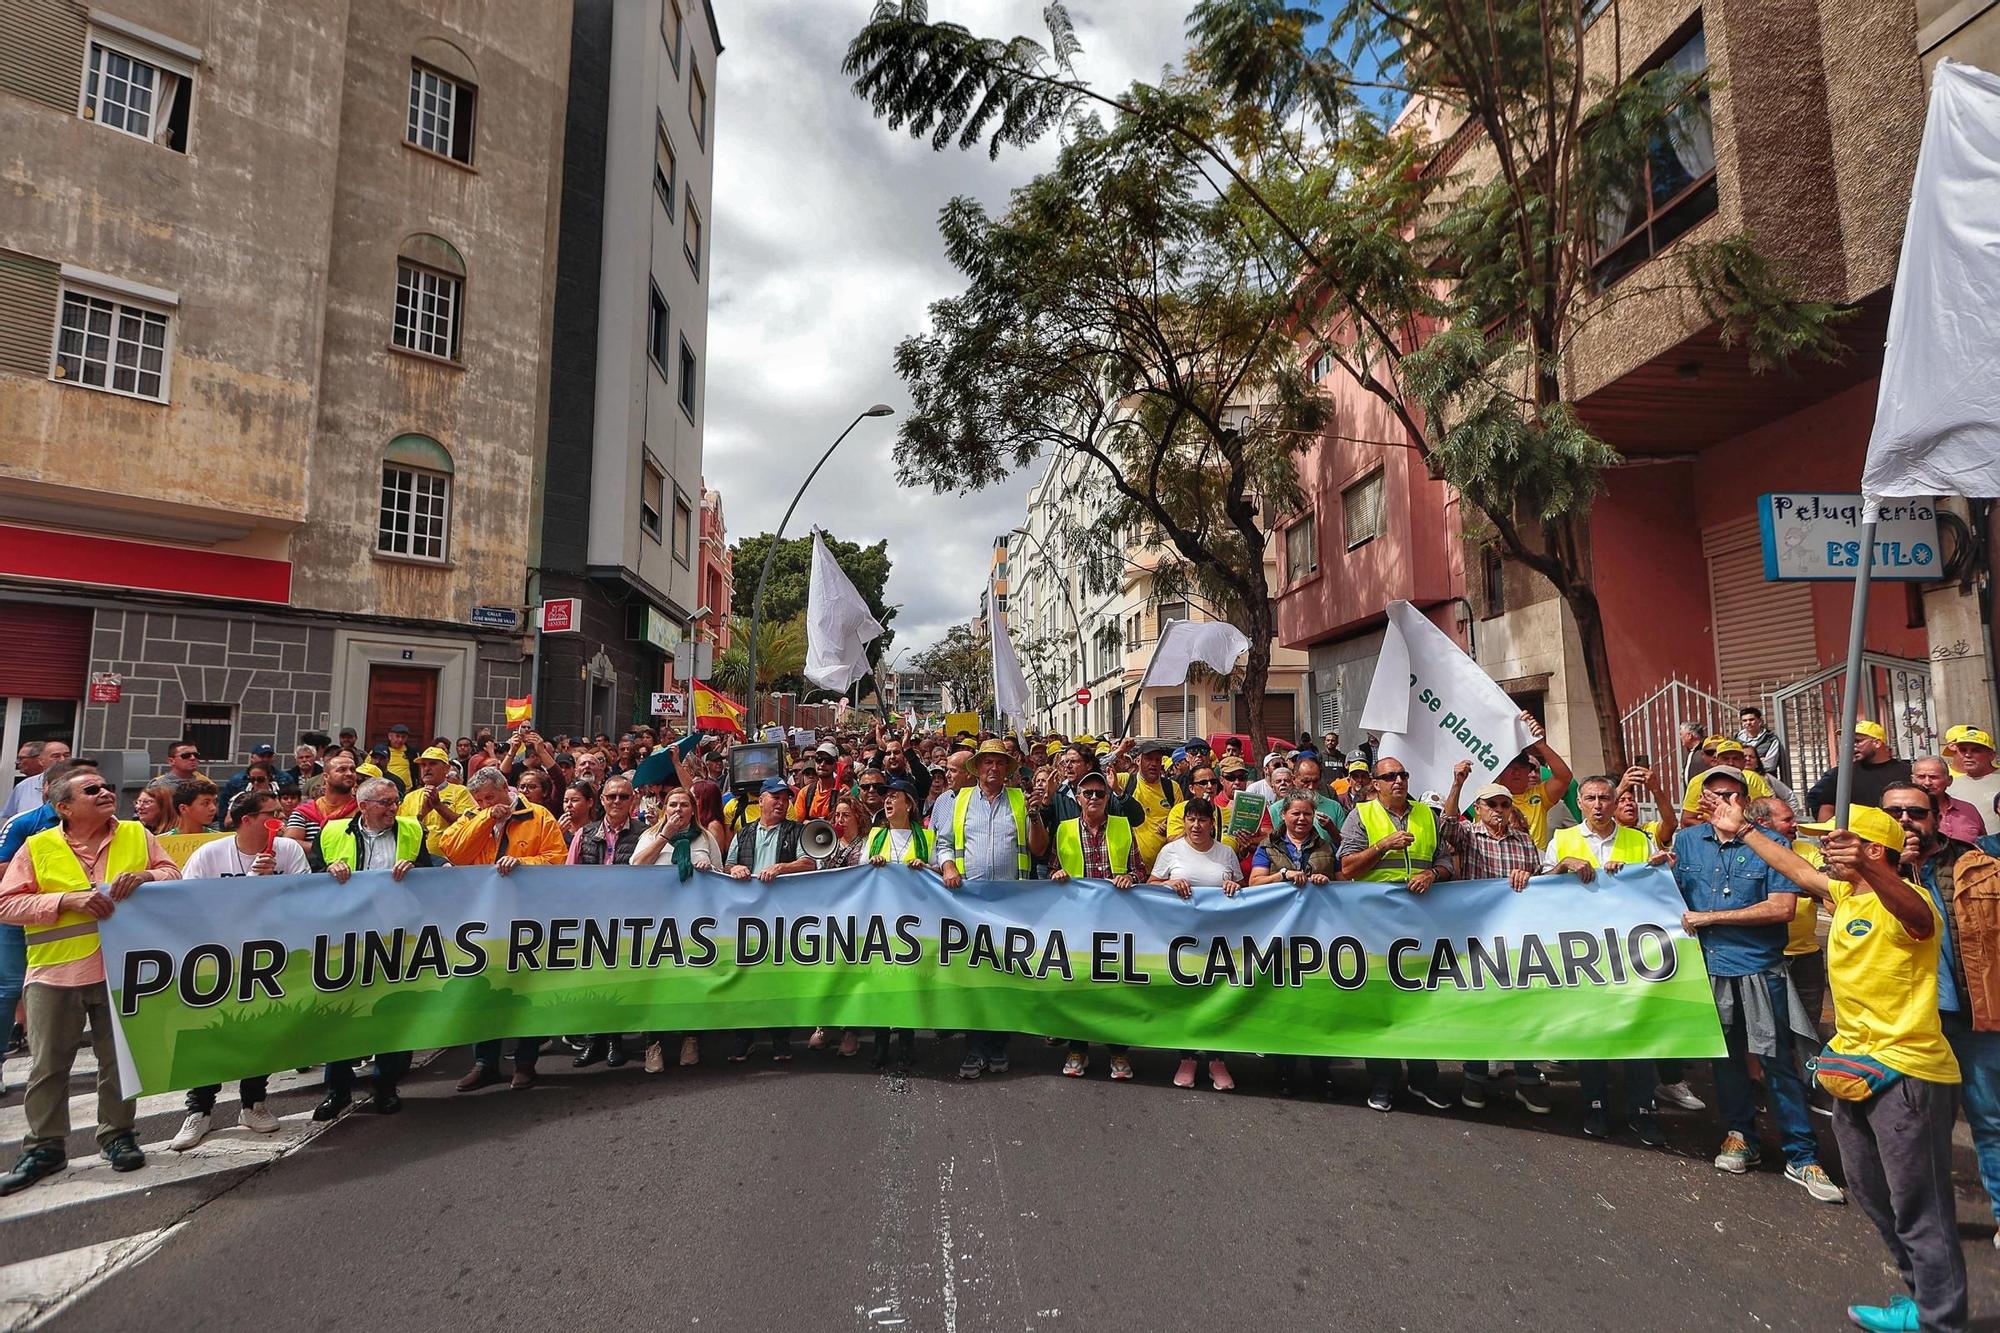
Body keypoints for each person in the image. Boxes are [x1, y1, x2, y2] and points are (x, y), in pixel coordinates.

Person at [1710, 799, 1966, 1333]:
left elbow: (1919, 921)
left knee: (1920, 1209)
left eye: (1834, 839)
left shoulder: (1907, 901)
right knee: (1875, 1196)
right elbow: (1797, 870)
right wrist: (1747, 830)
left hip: (1908, 1075)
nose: (1823, 846)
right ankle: (1920, 1302)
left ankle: (1941, 1320)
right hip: (1852, 1069)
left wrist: (1873, 867)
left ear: (1873, 851)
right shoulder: (1846, 894)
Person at [0, 769, 177, 1194]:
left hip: (123, 970)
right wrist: (65, 900)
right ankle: (44, 1146)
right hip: (56, 973)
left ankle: (117, 1135)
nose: (106, 792)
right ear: (63, 807)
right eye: (92, 790)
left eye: (106, 786)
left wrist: (149, 877)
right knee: (47, 1065)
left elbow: (173, 873)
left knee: (118, 1060)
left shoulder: (136, 834)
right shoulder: (38, 846)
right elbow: (6, 903)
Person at [1672, 767, 1841, 1202]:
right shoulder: (1685, 842)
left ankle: (1802, 1154)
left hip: (1760, 969)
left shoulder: (1775, 846)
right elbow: (1670, 899)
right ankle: (1738, 1135)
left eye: (1730, 794)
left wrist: (1713, 918)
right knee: (1726, 1059)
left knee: (1777, 1060)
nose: (1721, 801)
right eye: (1712, 794)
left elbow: (1783, 907)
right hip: (1709, 969)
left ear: (1745, 801)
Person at [168, 790, 308, 1150]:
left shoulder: (288, 851)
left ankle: (253, 1102)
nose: (278, 819)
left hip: (270, 958)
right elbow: (190, 904)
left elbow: (307, 897)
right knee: (210, 1031)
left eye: (280, 813)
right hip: (220, 958)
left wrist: (275, 880)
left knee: (260, 1028)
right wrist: (247, 883)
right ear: (247, 820)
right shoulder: (210, 854)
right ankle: (199, 1108)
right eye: (270, 814)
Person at [1543, 774, 1668, 1144]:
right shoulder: (1562, 840)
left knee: (1637, 1030)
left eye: (1605, 798)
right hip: (1584, 953)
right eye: (1591, 798)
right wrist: (1560, 866)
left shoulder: (1638, 839)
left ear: (1615, 802)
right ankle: (1595, 1103)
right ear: (1579, 803)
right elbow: (1541, 891)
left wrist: (1649, 868)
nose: (1598, 804)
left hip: (1632, 953)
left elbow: (1659, 884)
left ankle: (1642, 1109)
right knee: (1593, 1031)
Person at [438, 767, 567, 1092]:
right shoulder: (473, 816)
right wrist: (485, 819)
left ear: (505, 791)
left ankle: (525, 1062)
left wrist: (524, 865)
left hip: (528, 919)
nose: (484, 804)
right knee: (482, 990)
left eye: (490, 798)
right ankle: (485, 1062)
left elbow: (558, 860)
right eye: (479, 799)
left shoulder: (539, 816)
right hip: (482, 921)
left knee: (526, 989)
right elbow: (453, 851)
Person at [1339, 758, 1452, 1112]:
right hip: (1376, 927)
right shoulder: (1361, 815)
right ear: (1376, 784)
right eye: (1390, 776)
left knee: (1422, 1003)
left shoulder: (1427, 816)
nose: (1399, 780)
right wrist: (1383, 845)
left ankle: (1424, 1079)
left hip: (1421, 927)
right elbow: (1347, 867)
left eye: (1404, 774)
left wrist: (1433, 874)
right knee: (1382, 1005)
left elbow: (1449, 863)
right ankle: (1383, 1081)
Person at [312, 777, 428, 1118]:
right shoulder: (332, 832)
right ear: (363, 806)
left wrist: (417, 870)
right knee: (342, 1014)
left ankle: (386, 1087)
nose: (394, 808)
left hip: (396, 937)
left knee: (390, 1013)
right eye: (385, 803)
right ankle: (338, 1090)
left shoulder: (412, 830)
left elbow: (430, 877)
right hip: (347, 938)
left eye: (396, 801)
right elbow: (312, 876)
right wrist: (327, 870)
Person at [936, 739, 1048, 1079]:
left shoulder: (1020, 800)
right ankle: (974, 1047)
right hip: (968, 905)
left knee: (1003, 976)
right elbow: (942, 843)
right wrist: (948, 867)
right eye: (987, 763)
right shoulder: (959, 802)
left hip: (1011, 904)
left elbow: (1039, 849)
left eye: (1000, 763)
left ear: (1007, 769)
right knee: (973, 978)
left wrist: (1035, 815)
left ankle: (998, 1044)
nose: (993, 768)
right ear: (978, 768)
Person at [1049, 769, 1144, 1081]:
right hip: (1076, 921)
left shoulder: (1122, 826)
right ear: (1077, 799)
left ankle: (1118, 1052)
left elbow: (1139, 870)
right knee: (1078, 986)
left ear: (1107, 798)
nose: (1093, 798)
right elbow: (1052, 868)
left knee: (1114, 988)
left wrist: (1131, 877)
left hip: (1115, 922)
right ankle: (1077, 1049)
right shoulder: (1063, 829)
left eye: (1099, 793)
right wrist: (1057, 876)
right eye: (1087, 793)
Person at [1248, 791, 1342, 1097]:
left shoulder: (1326, 845)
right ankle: (1284, 1070)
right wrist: (1283, 875)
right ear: (1284, 816)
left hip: (1318, 937)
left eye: (1306, 814)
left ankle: (1321, 1072)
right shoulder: (1269, 846)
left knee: (1319, 1005)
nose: (1301, 819)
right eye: (1295, 814)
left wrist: (1327, 883)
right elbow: (1255, 882)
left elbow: (1342, 882)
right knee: (1283, 1004)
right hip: (1280, 936)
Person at [1149, 797, 1244, 1091]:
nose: (1196, 825)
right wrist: (1168, 885)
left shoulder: (1226, 853)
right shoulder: (1170, 851)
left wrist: (1234, 887)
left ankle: (1217, 1061)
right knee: (1187, 999)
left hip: (1220, 942)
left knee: (1219, 999)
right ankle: (1187, 1058)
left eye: (1202, 820)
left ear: (1212, 824)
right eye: (1191, 819)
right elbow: (1149, 887)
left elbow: (1243, 890)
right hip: (1182, 941)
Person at [722, 778, 814, 1063]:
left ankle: (780, 1038)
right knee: (745, 975)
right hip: (748, 915)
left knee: (778, 977)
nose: (780, 801)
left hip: (781, 915)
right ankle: (744, 1037)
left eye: (785, 797)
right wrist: (735, 868)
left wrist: (782, 867)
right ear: (760, 800)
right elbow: (726, 864)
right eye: (774, 796)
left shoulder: (796, 831)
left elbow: (809, 863)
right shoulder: (744, 833)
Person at [1804, 720, 1912, 822]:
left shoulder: (1906, 771)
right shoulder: (1841, 774)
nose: (1852, 746)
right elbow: (1827, 808)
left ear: (1877, 743)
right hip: (1854, 839)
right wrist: (1828, 837)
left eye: (1857, 741)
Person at [1497, 711, 1573, 848]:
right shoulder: (1486, 796)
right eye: (1512, 767)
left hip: (1535, 863)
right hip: (1496, 863)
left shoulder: (1539, 795)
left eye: (1522, 767)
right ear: (1500, 771)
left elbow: (1564, 777)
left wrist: (1541, 745)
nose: (1517, 772)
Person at [399, 745, 475, 857]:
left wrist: (438, 806)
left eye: (432, 764)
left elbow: (467, 826)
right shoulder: (410, 797)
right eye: (423, 765)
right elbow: (402, 831)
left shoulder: (460, 791)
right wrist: (422, 814)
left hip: (450, 860)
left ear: (446, 768)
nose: (426, 769)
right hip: (417, 859)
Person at [1120, 741, 1179, 866]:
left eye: (1158, 760)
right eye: (1149, 759)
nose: (1153, 764)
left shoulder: (1172, 788)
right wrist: (1119, 751)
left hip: (1163, 871)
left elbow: (1181, 821)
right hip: (1129, 870)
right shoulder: (1125, 781)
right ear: (1138, 760)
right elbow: (1096, 772)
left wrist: (1170, 826)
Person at [1910, 754, 1984, 847]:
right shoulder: (1903, 814)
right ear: (1912, 780)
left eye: (1933, 777)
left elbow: (1985, 846)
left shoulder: (1968, 810)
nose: (1927, 782)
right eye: (1921, 777)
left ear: (1949, 780)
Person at [287, 752, 358, 847]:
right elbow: (289, 844)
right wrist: (326, 850)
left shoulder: (363, 811)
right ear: (326, 776)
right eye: (342, 770)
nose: (349, 773)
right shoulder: (304, 812)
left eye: (353, 770)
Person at [1945, 724, 2000, 836]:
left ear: (1992, 755)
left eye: (1976, 750)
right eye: (1963, 750)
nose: (1968, 755)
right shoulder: (1951, 784)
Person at [2, 741, 69, 823]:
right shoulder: (23, 787)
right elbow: (12, 820)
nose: (63, 760)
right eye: (56, 756)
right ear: (41, 761)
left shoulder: (80, 784)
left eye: (67, 755)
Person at [1737, 706, 1789, 789]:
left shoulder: (1771, 739)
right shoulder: (1736, 740)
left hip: (1764, 782)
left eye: (1751, 719)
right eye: (1745, 720)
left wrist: (1746, 764)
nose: (1748, 723)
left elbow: (1770, 765)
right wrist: (1759, 760)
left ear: (1760, 721)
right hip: (1741, 781)